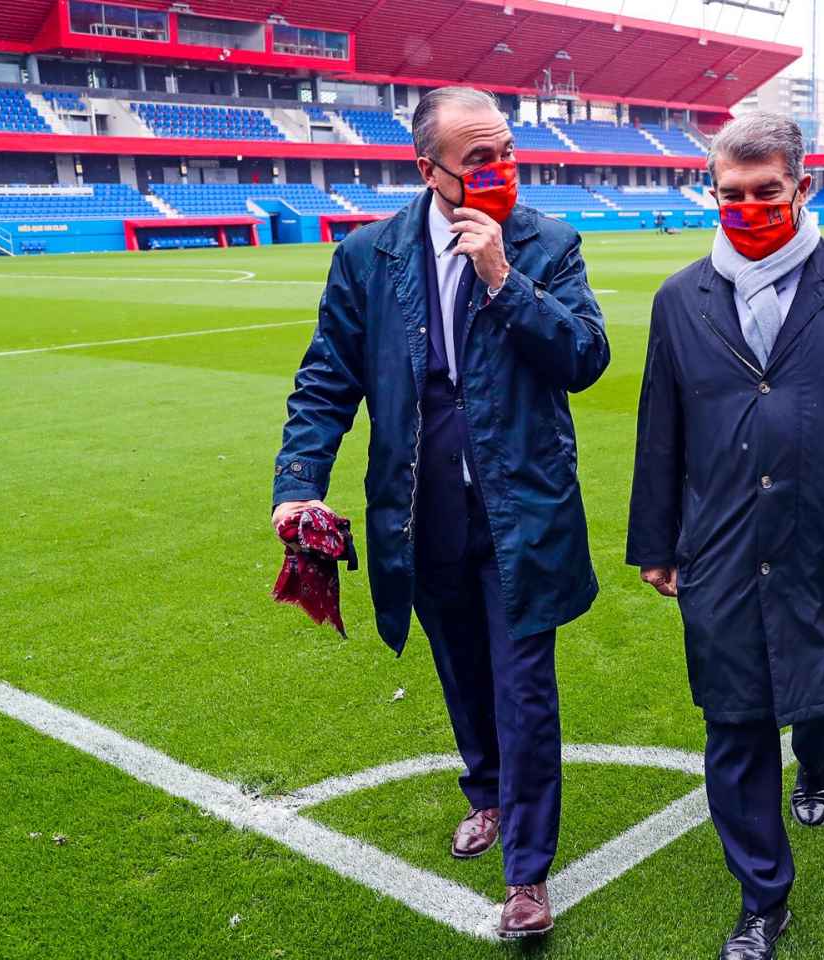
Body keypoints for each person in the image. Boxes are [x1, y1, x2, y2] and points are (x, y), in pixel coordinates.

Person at [270, 86, 609, 939]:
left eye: (508, 154)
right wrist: (299, 480)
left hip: (522, 506)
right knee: (459, 664)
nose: (501, 172)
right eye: (480, 160)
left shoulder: (547, 242)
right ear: (430, 171)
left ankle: (527, 873)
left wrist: (501, 275)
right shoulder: (369, 257)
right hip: (420, 506)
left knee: (524, 684)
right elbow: (326, 378)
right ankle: (486, 792)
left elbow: (585, 357)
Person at [626, 112, 824, 960]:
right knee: (733, 721)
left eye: (767, 191)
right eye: (731, 195)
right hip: (722, 545)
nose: (749, 207)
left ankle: (819, 755)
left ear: (803, 188)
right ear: (713, 194)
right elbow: (662, 429)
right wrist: (656, 540)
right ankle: (764, 898)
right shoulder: (678, 299)